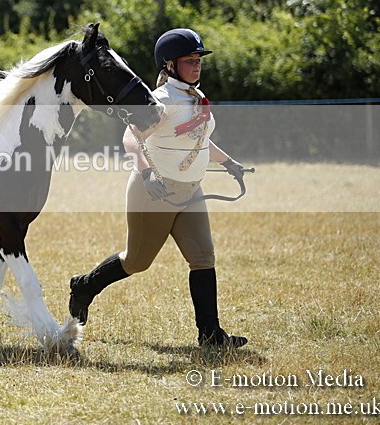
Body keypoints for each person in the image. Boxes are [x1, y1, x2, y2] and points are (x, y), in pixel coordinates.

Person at [68, 28, 248, 348]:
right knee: (137, 261)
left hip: (190, 190)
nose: (196, 66)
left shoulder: (195, 97)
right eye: (189, 60)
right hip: (155, 191)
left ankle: (210, 335)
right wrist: (148, 174)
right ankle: (84, 286)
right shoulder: (161, 102)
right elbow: (130, 139)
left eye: (198, 60)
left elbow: (201, 140)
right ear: (169, 65)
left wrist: (230, 163)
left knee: (203, 257)